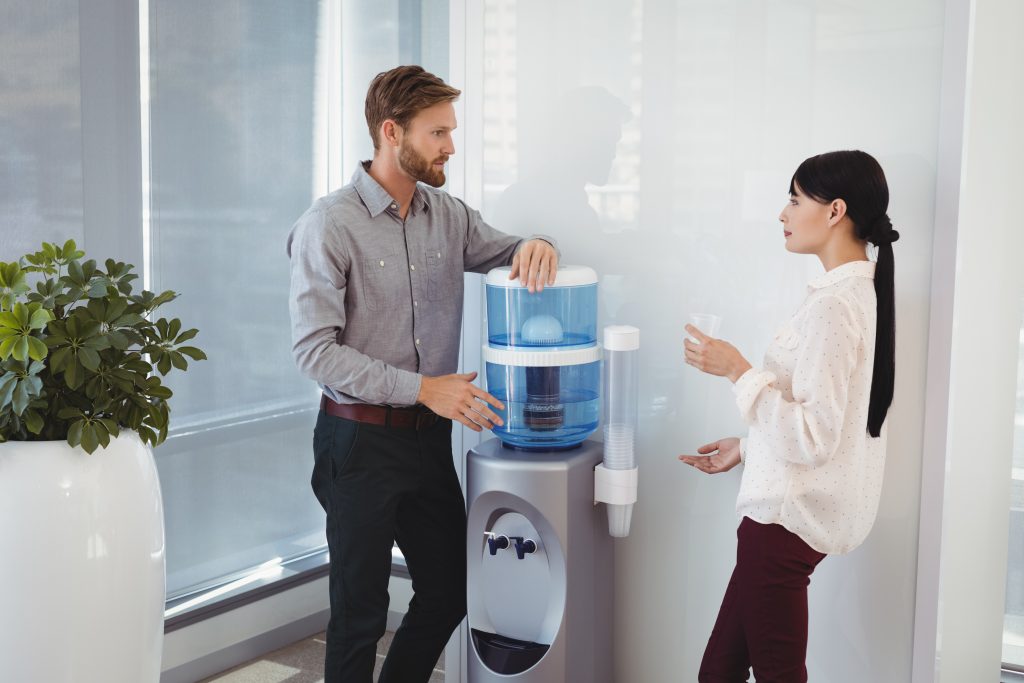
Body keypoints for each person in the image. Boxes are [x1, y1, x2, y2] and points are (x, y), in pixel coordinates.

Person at [286, 65, 559, 683]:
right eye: (438, 133)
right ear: (392, 132)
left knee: (448, 592)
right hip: (357, 442)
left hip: (426, 440)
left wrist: (538, 244)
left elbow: (510, 249)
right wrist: (423, 389)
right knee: (360, 613)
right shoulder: (328, 225)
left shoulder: (449, 216)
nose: (450, 148)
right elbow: (314, 352)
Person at [678, 150, 899, 682]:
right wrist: (749, 448)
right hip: (784, 521)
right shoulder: (856, 292)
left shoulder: (834, 306)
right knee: (719, 674)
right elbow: (834, 425)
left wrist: (739, 371)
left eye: (795, 199)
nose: (782, 213)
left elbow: (814, 438)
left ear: (834, 211)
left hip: (782, 527)